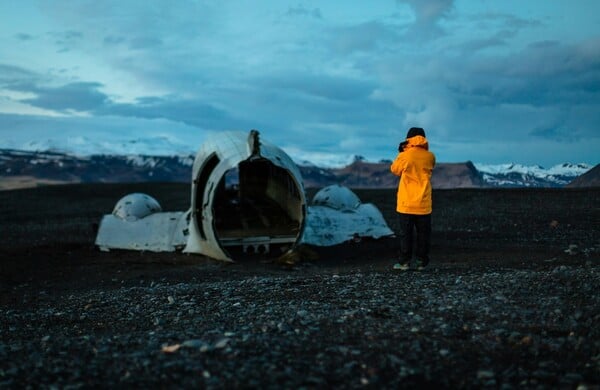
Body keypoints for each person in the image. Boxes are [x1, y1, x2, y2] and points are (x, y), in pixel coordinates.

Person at [390, 127, 436, 271]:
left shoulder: (405, 156)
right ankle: (421, 262)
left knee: (406, 234)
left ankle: (404, 262)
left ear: (408, 139)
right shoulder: (430, 156)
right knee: (423, 234)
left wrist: (402, 152)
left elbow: (395, 170)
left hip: (406, 203)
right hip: (423, 203)